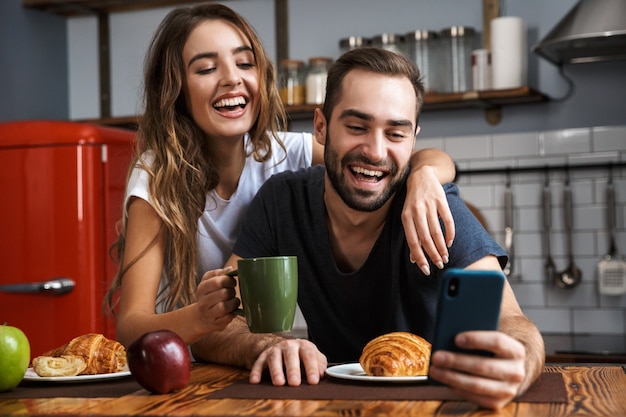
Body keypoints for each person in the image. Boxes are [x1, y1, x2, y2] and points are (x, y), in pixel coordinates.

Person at [195, 47, 545, 410]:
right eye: (357, 127)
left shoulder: (436, 208)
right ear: (321, 126)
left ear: (413, 140)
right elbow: (214, 326)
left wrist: (515, 364)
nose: (375, 152)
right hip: (327, 405)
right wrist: (266, 345)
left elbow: (513, 322)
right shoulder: (282, 202)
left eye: (395, 134)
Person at [103, 4, 457, 352]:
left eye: (245, 63)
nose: (231, 77)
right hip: (185, 364)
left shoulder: (283, 152)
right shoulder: (156, 177)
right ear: (176, 89)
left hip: (252, 358)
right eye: (207, 68)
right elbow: (132, 327)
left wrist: (423, 177)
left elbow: (410, 161)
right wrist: (202, 316)